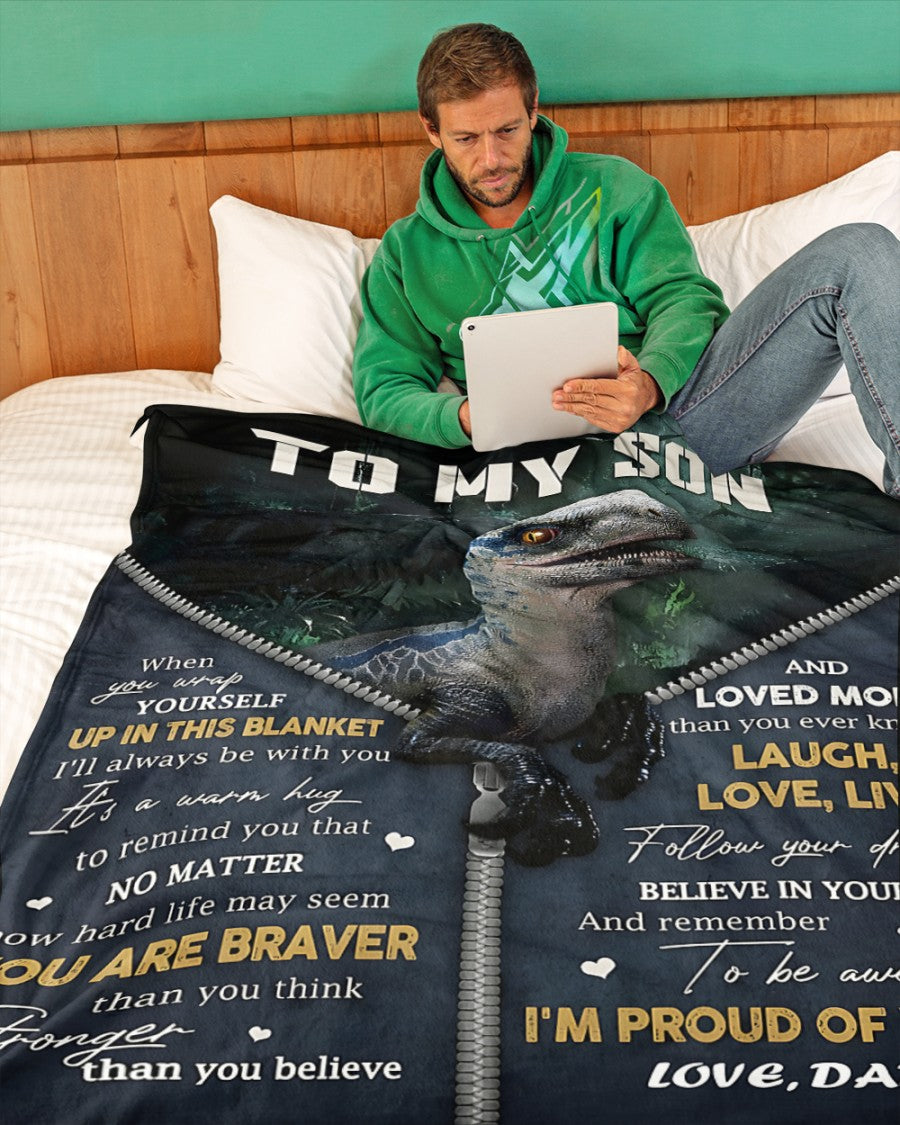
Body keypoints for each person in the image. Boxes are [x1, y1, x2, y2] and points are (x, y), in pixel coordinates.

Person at [352, 23, 900, 497]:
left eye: (507, 130)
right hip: (529, 468)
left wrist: (649, 383)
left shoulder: (617, 189)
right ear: (431, 130)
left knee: (859, 250)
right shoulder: (405, 253)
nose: (491, 158)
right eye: (467, 138)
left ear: (534, 109)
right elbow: (385, 390)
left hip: (681, 425)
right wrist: (468, 418)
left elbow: (684, 301)